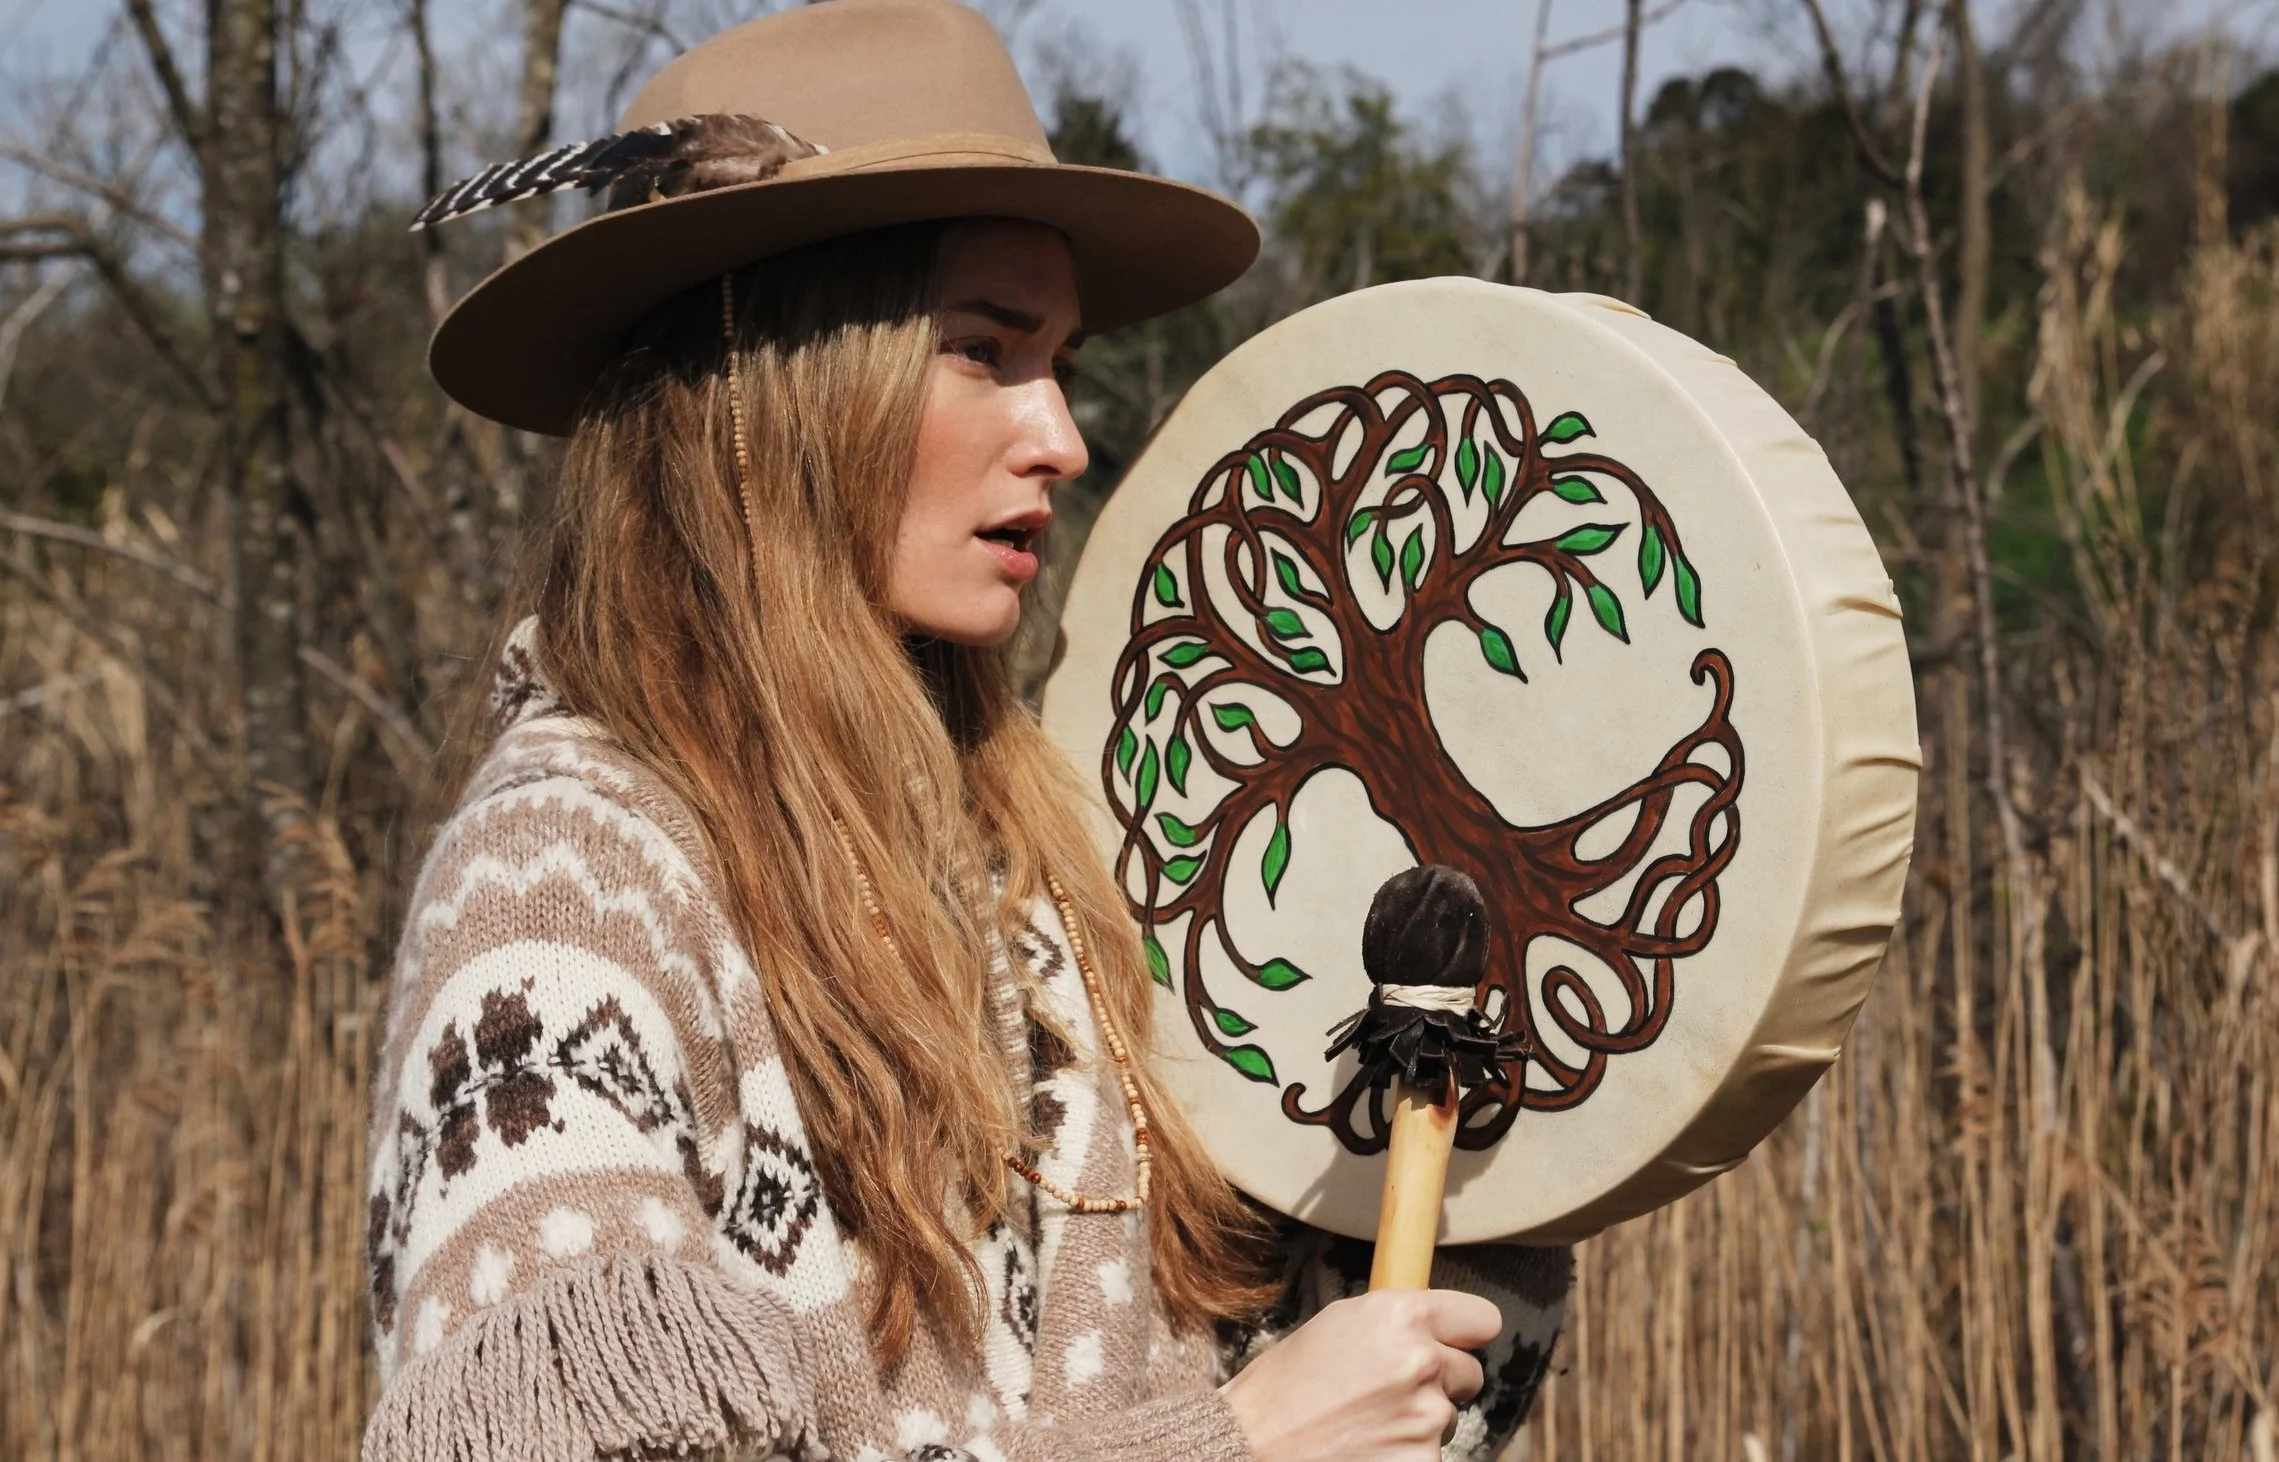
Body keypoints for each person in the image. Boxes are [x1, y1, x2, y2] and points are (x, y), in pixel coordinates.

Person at [363, 3, 1572, 1459]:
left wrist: (1491, 1177)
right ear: (784, 381)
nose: (1059, 433)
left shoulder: (1051, 856)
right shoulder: (562, 885)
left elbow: (1295, 1376)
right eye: (986, 350)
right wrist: (1230, 1447)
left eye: (1057, 358)